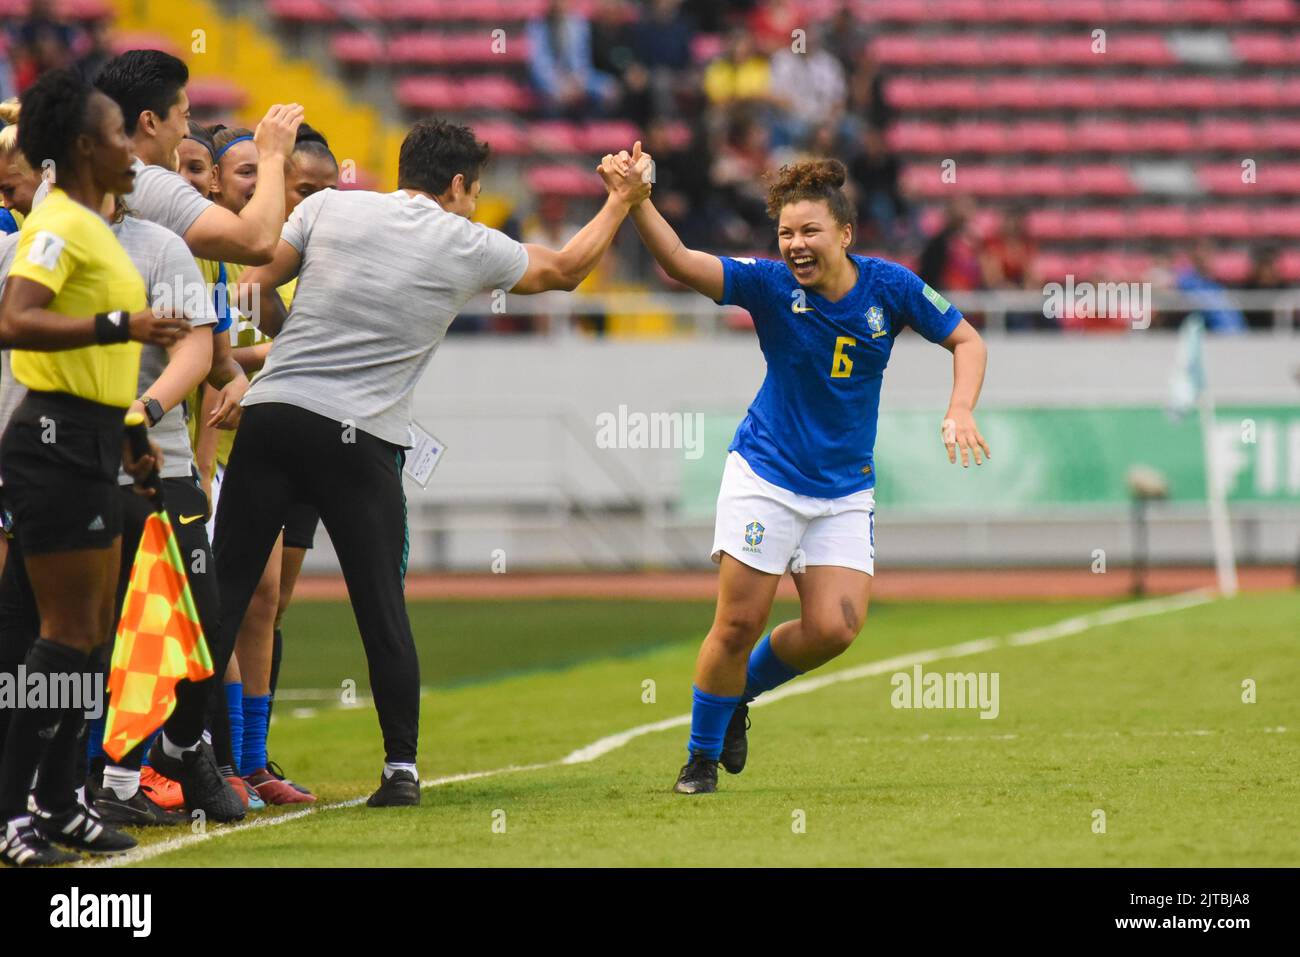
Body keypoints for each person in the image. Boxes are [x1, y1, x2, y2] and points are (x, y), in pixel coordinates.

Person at [216, 119, 652, 807]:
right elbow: (567, 270)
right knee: (381, 607)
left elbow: (251, 284)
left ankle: (184, 756)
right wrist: (621, 201)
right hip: (359, 436)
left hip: (273, 412)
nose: (475, 204)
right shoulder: (465, 240)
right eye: (475, 191)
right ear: (457, 186)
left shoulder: (329, 203)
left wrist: (249, 357)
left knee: (225, 593)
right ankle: (399, 769)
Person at [607, 156, 990, 794]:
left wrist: (959, 409)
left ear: (844, 235)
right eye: (786, 233)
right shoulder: (766, 284)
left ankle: (736, 699)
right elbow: (677, 260)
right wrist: (639, 199)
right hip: (767, 475)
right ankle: (700, 757)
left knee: (835, 628)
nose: (795, 245)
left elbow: (968, 341)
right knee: (737, 623)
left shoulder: (891, 287)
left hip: (843, 489)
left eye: (809, 231)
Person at [0, 67, 189, 866]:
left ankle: (60, 800)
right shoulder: (59, 224)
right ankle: (14, 814)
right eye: (117, 134)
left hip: (93, 439)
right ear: (82, 147)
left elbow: (104, 371)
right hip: (53, 441)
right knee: (63, 636)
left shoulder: (88, 221)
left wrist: (135, 448)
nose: (131, 149)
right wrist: (125, 321)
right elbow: (15, 318)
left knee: (88, 639)